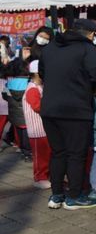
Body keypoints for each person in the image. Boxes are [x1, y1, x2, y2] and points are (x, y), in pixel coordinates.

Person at [40, 19, 96, 210]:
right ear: (91, 34)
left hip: (50, 108)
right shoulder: (86, 48)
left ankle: (56, 195)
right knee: (76, 154)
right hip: (76, 109)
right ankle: (75, 196)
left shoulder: (51, 47)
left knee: (58, 152)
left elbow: (43, 72)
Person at [22, 60, 51, 189]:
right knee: (40, 156)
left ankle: (46, 176)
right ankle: (39, 177)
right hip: (37, 129)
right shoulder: (32, 89)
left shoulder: (40, 87)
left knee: (47, 154)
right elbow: (37, 106)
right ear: (37, 73)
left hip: (44, 128)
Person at [3, 57, 32, 162]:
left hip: (14, 113)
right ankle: (29, 153)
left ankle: (24, 152)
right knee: (26, 134)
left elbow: (5, 96)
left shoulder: (10, 82)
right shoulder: (28, 81)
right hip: (26, 113)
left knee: (19, 133)